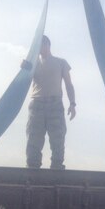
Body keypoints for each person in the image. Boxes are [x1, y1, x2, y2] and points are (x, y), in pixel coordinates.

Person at [24, 35, 76, 169]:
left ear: (47, 44)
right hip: (37, 104)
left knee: (58, 138)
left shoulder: (61, 62)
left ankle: (57, 169)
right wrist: (23, 68)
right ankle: (32, 171)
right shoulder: (32, 63)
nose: (37, 48)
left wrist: (72, 103)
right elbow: (22, 81)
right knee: (33, 139)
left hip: (55, 104)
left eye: (39, 45)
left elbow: (69, 85)